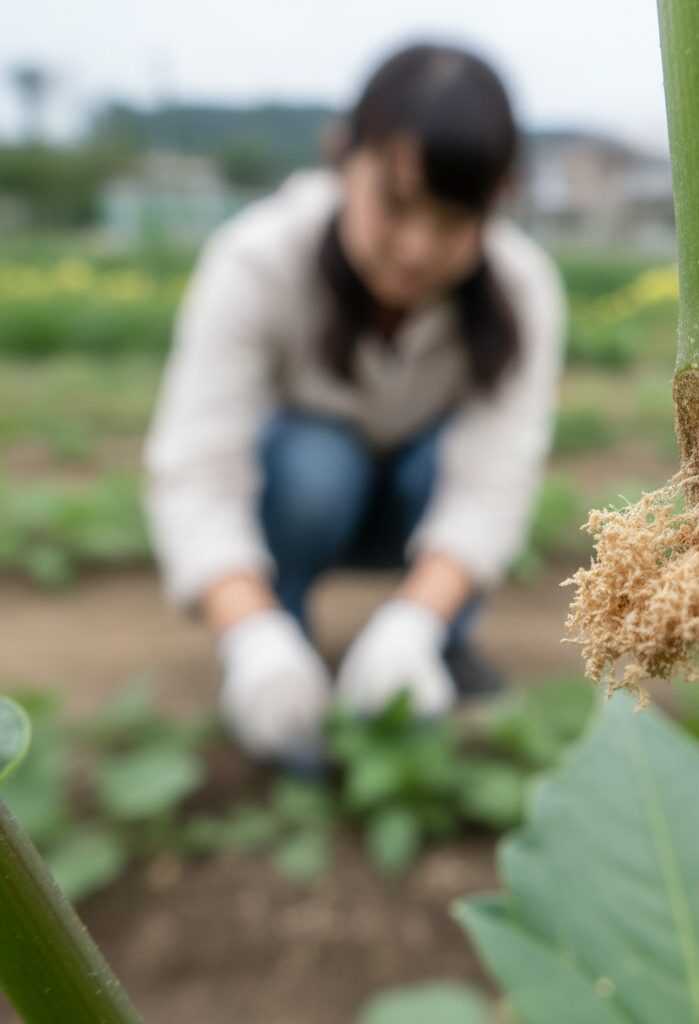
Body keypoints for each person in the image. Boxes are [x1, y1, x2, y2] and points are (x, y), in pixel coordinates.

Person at [141, 42, 567, 767]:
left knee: (443, 463)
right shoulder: (258, 259)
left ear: (497, 200)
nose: (415, 248)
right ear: (343, 157)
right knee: (317, 462)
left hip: (416, 504)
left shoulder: (523, 291)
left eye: (451, 221)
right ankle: (279, 637)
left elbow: (495, 478)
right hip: (303, 503)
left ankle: (437, 637)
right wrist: (248, 634)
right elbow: (197, 466)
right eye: (394, 204)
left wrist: (414, 623)